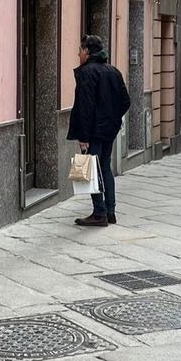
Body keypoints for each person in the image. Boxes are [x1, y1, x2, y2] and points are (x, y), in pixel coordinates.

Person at [67, 34, 131, 227]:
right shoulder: (113, 71)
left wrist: (83, 136)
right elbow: (125, 101)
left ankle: (99, 213)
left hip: (94, 132)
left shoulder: (87, 72)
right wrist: (112, 121)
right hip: (108, 131)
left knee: (93, 170)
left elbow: (85, 107)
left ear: (87, 51)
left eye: (80, 50)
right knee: (105, 168)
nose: (78, 54)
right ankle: (110, 211)